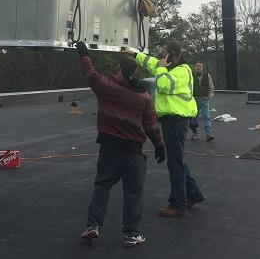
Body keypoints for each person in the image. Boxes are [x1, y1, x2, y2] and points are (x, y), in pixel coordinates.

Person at [76, 41, 166, 247]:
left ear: (118, 68)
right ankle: (131, 234)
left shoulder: (106, 87)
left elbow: (90, 73)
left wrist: (83, 53)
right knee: (133, 193)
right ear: (135, 71)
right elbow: (151, 125)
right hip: (133, 152)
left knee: (102, 185)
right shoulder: (144, 96)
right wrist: (159, 145)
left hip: (109, 148)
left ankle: (93, 225)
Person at [135, 41, 206, 217]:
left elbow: (164, 84)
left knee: (175, 162)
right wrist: (134, 54)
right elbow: (152, 63)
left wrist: (160, 68)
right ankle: (194, 194)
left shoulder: (181, 71)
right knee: (177, 160)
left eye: (163, 53)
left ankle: (178, 204)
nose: (160, 56)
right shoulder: (171, 67)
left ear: (172, 54)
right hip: (173, 120)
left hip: (176, 120)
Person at [190, 61, 215, 142]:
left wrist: (209, 96)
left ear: (202, 67)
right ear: (195, 67)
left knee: (206, 117)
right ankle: (195, 133)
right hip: (195, 99)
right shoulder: (191, 76)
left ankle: (208, 135)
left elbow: (211, 87)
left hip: (204, 99)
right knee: (194, 118)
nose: (198, 67)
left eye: (200, 66)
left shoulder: (207, 75)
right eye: (197, 66)